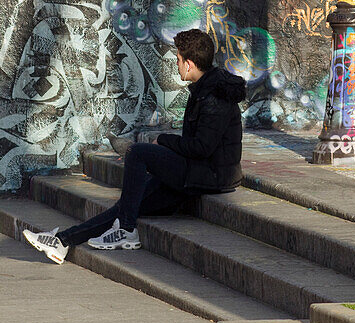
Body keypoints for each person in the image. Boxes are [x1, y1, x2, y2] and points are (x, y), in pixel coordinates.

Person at [23, 28, 246, 264]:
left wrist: (163, 140)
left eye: (178, 60)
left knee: (138, 153)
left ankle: (127, 229)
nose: (177, 65)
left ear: (189, 64)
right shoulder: (205, 89)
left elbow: (202, 148)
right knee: (128, 204)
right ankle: (63, 242)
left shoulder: (214, 96)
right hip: (199, 170)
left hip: (211, 176)